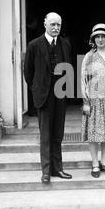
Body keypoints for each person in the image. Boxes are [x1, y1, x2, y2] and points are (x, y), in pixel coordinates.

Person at [24, 12, 73, 184]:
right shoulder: (34, 45)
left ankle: (57, 169)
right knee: (45, 134)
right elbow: (28, 72)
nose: (55, 28)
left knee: (57, 134)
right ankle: (46, 171)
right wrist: (37, 88)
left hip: (60, 95)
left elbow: (69, 67)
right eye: (52, 24)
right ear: (45, 24)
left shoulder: (65, 44)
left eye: (58, 25)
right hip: (43, 96)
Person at [81, 24, 105, 178]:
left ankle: (104, 162)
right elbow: (83, 80)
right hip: (94, 101)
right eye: (97, 37)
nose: (100, 39)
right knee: (94, 134)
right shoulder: (89, 57)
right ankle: (95, 163)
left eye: (103, 36)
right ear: (93, 39)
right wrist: (85, 102)